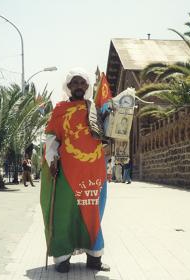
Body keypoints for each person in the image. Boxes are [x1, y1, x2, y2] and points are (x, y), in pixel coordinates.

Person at [40, 68, 110, 273]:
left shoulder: (95, 108)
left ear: (87, 87)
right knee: (64, 213)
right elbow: (52, 138)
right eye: (75, 83)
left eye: (83, 83)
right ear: (68, 86)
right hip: (68, 172)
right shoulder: (60, 110)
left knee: (93, 212)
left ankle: (94, 258)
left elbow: (109, 131)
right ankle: (62, 258)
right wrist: (52, 160)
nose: (79, 86)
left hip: (94, 170)